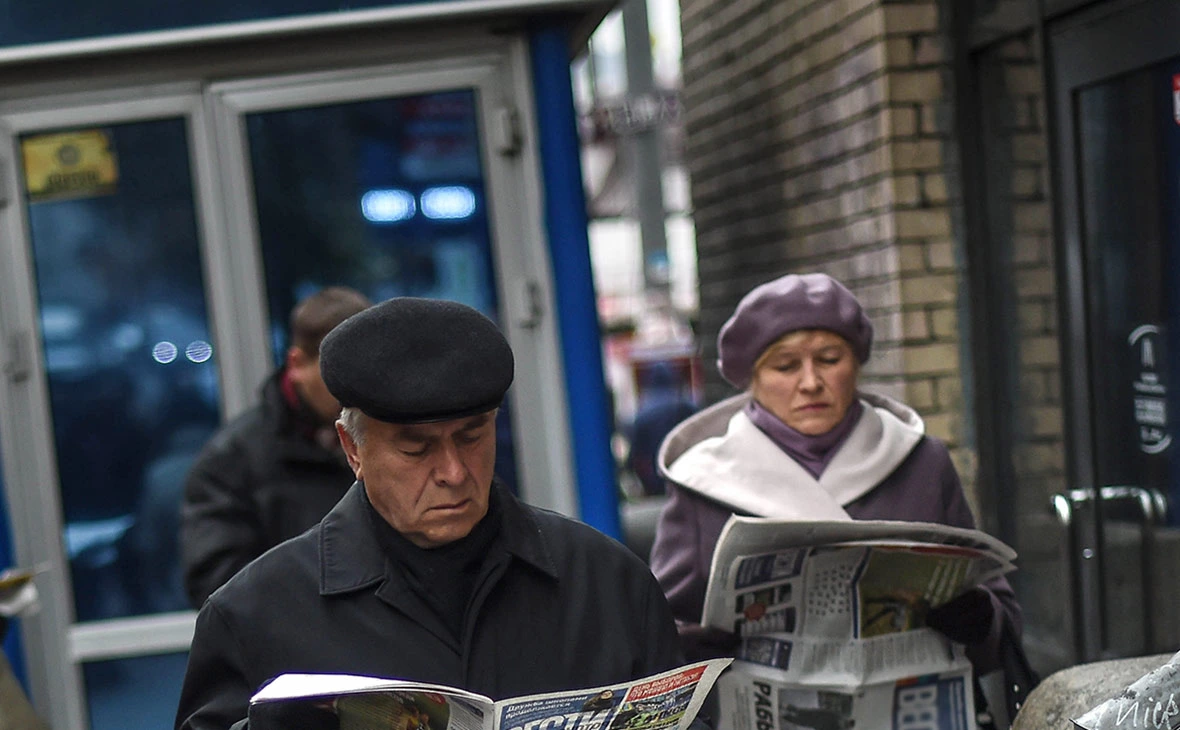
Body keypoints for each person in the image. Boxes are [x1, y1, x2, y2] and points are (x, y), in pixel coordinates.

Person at [175, 297, 686, 730]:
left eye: (472, 437)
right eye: (417, 450)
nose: (454, 472)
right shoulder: (254, 615)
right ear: (352, 449)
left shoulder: (607, 581)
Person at [648, 273, 1022, 675]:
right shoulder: (703, 480)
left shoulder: (921, 460)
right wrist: (692, 647)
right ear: (751, 380)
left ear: (856, 364)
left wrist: (979, 619)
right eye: (785, 366)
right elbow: (656, 631)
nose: (811, 383)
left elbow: (1004, 625)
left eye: (829, 359)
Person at [180, 286, 372, 608]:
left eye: (366, 372)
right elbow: (218, 588)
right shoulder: (232, 461)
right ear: (297, 364)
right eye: (338, 374)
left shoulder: (387, 435)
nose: (353, 389)